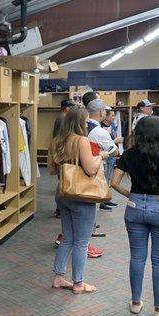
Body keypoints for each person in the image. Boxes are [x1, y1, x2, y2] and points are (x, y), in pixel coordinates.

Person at [111, 116, 159, 316]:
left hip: (135, 207)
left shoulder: (128, 155)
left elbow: (113, 182)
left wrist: (130, 194)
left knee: (137, 257)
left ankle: (136, 302)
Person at [48, 107, 109, 293]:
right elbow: (91, 169)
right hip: (81, 196)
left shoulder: (56, 141)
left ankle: (59, 278)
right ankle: (78, 283)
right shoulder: (81, 140)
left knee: (67, 238)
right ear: (81, 123)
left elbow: (51, 170)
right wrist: (99, 156)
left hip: (63, 193)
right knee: (81, 242)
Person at [86, 99, 119, 213]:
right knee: (92, 206)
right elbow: (115, 152)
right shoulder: (100, 131)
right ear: (101, 113)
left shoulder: (78, 126)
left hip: (75, 170)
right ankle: (91, 230)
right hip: (94, 170)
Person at [53, 99, 77, 218]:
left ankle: (61, 209)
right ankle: (60, 209)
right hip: (62, 154)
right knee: (64, 182)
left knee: (63, 182)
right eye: (71, 107)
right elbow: (63, 138)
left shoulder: (62, 117)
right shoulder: (63, 118)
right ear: (66, 108)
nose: (73, 109)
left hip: (61, 153)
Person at [100, 108, 124, 207]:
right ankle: (101, 201)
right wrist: (115, 141)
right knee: (103, 179)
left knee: (108, 179)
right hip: (105, 157)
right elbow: (103, 144)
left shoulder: (112, 126)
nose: (114, 117)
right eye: (112, 115)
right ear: (106, 116)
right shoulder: (100, 129)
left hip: (112, 156)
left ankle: (106, 198)